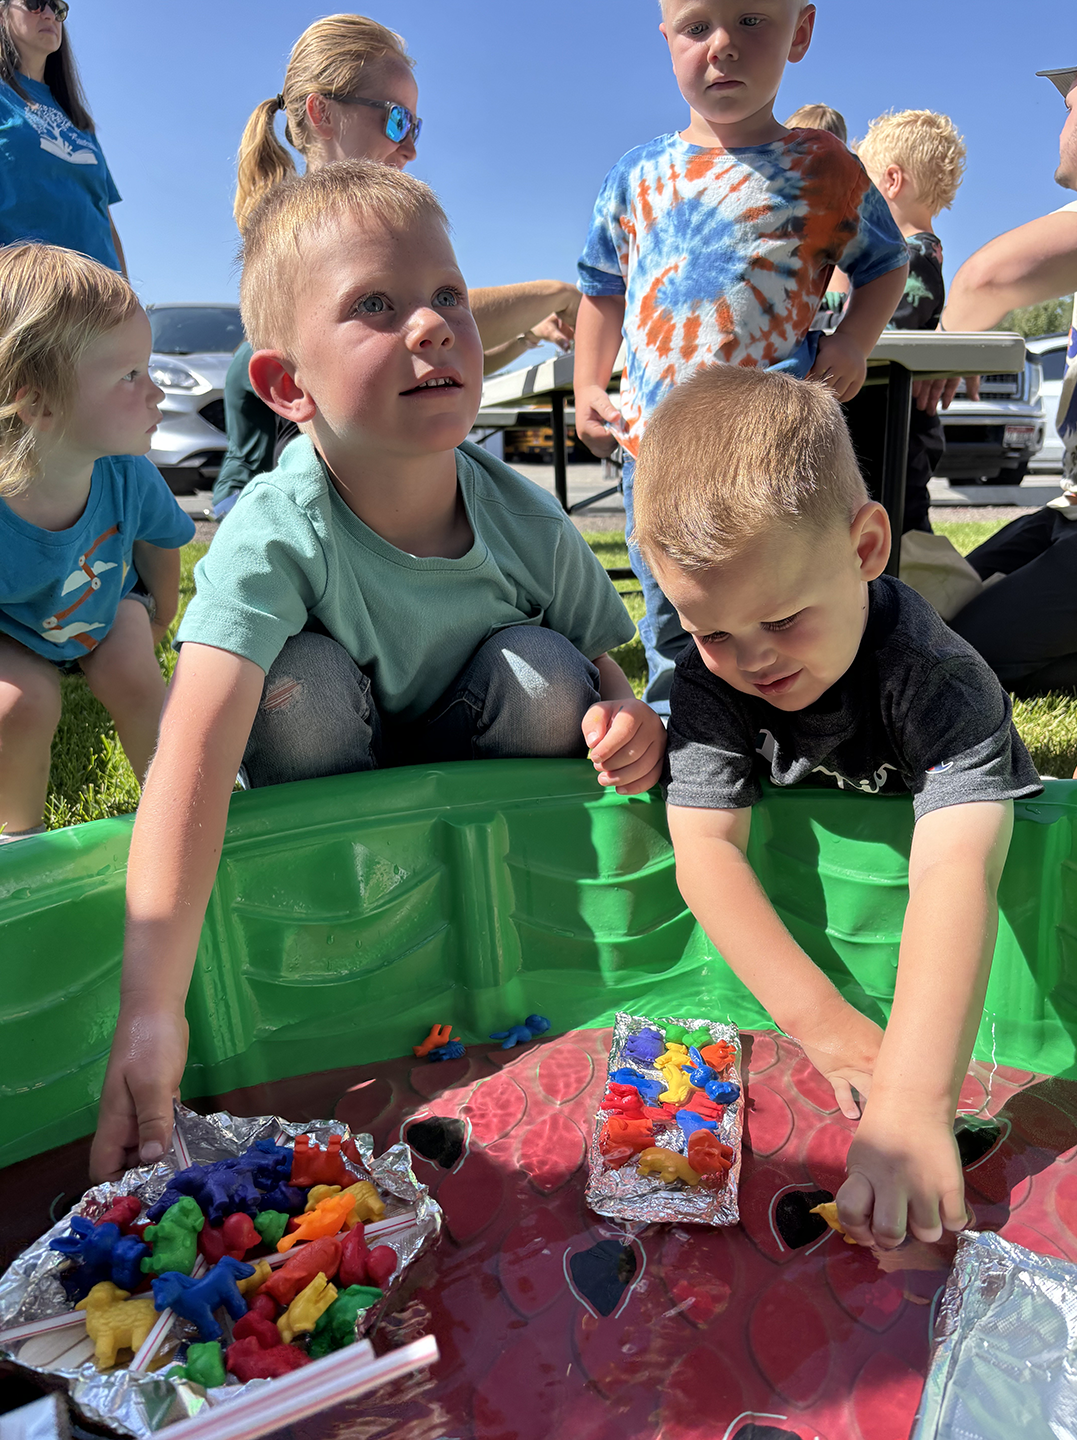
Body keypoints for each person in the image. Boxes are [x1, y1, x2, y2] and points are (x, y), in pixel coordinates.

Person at [89, 161, 666, 1180]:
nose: (434, 325)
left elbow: (603, 666)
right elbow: (190, 753)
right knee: (293, 689)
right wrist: (150, 1012)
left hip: (480, 795)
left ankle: (522, 936)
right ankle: (346, 939)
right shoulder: (276, 528)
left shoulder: (521, 516)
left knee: (544, 676)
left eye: (447, 296)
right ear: (286, 388)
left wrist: (625, 718)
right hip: (333, 810)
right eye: (375, 306)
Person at [633, 363, 1041, 1246]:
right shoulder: (713, 678)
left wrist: (911, 1101)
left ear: (863, 549)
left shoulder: (934, 676)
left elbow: (957, 862)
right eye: (711, 632)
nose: (753, 661)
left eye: (782, 621)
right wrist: (822, 1027)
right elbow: (705, 850)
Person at [572, 0, 909, 713]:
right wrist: (588, 386)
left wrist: (852, 341)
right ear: (667, 40)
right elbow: (602, 289)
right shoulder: (635, 175)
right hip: (658, 443)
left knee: (789, 596)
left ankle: (815, 727)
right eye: (698, 27)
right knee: (675, 603)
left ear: (802, 32)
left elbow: (885, 263)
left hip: (775, 445)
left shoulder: (824, 166)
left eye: (752, 20)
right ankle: (683, 731)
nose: (722, 46)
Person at [212, 13, 581, 517]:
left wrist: (524, 337)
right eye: (395, 119)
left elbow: (426, 368)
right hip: (267, 503)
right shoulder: (295, 241)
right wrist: (556, 292)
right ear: (322, 113)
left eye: (416, 125)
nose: (409, 147)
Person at [0, 243, 194, 842]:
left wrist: (160, 615)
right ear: (39, 402)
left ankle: (179, 813)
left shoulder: (126, 470)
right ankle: (19, 842)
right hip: (18, 628)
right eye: (130, 375)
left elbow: (162, 546)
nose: (156, 393)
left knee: (134, 674)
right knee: (18, 709)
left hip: (107, 608)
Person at [938, 59, 1077, 714]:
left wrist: (941, 353)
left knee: (955, 655)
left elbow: (983, 281)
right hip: (1068, 510)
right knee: (938, 611)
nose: (1062, 125)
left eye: (1071, 108)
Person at [851, 109, 967, 534]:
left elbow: (883, 336)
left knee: (900, 536)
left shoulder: (912, 258)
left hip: (896, 436)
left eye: (861, 186)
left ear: (891, 182)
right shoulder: (917, 254)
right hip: (890, 432)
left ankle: (915, 601)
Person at [0, 0, 125, 272]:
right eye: (34, 3)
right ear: (2, 13)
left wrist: (129, 300)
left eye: (57, 8)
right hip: (30, 298)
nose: (49, 14)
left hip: (104, 298)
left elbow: (105, 219)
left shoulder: (79, 120)